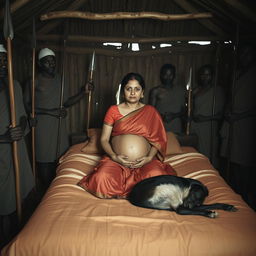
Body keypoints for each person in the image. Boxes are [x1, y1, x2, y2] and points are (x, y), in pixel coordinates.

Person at [78, 72, 176, 198]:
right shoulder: (113, 110)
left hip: (144, 161)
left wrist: (149, 158)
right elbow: (104, 139)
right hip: (117, 161)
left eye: (137, 89)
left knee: (158, 177)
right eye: (128, 89)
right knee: (101, 178)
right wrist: (114, 156)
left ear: (142, 93)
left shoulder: (150, 111)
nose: (133, 92)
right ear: (123, 91)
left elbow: (158, 139)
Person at [23, 48, 86, 191]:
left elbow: (66, 103)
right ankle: (46, 192)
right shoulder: (34, 80)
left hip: (58, 125)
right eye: (47, 62)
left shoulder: (60, 79)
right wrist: (51, 112)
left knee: (59, 158)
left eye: (53, 61)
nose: (51, 64)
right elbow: (26, 105)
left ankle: (56, 190)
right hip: (41, 127)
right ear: (39, 64)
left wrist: (83, 92)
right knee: (44, 159)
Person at [0, 44, 35, 246]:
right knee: (4, 204)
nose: (3, 63)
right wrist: (4, 137)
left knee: (16, 196)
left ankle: (17, 238)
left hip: (16, 148)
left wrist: (21, 128)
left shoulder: (14, 85)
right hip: (3, 149)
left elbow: (22, 115)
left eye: (5, 59)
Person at [220, 43, 256, 209]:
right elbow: (230, 97)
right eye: (242, 54)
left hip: (245, 123)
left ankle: (246, 193)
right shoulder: (236, 74)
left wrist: (239, 116)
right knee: (230, 158)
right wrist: (228, 111)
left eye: (247, 54)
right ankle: (234, 191)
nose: (244, 57)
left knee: (244, 160)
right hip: (231, 120)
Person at [190, 64, 225, 167]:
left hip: (208, 127)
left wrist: (205, 118)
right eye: (203, 75)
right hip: (195, 126)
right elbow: (191, 109)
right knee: (195, 153)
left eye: (208, 75)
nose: (205, 77)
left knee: (208, 154)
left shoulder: (217, 91)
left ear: (212, 76)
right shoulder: (196, 90)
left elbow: (221, 114)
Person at [149, 64, 186, 134]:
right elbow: (151, 112)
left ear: (174, 76)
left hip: (177, 128)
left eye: (170, 75)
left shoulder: (181, 90)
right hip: (160, 128)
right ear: (161, 75)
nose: (168, 77)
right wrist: (163, 116)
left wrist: (174, 115)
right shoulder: (155, 91)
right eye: (165, 74)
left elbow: (184, 110)